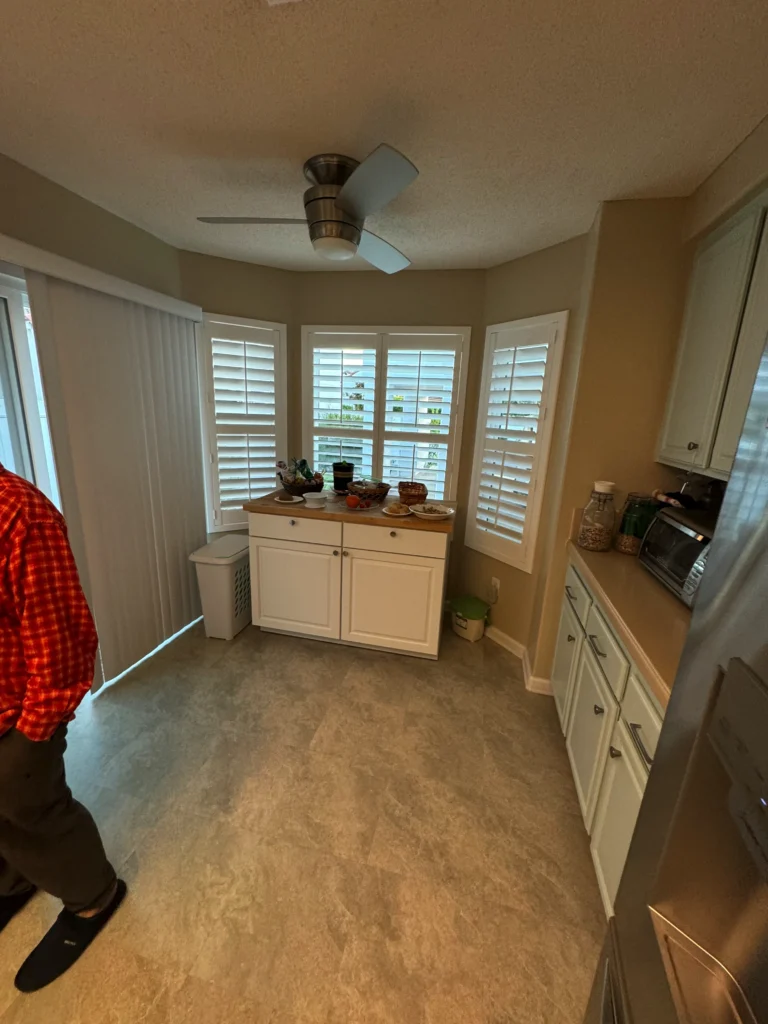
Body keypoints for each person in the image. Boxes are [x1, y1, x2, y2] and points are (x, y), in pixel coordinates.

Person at [0, 463, 125, 992]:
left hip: (16, 714)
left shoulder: (19, 513)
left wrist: (34, 734)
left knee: (35, 810)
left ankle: (94, 896)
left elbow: (63, 640)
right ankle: (14, 880)